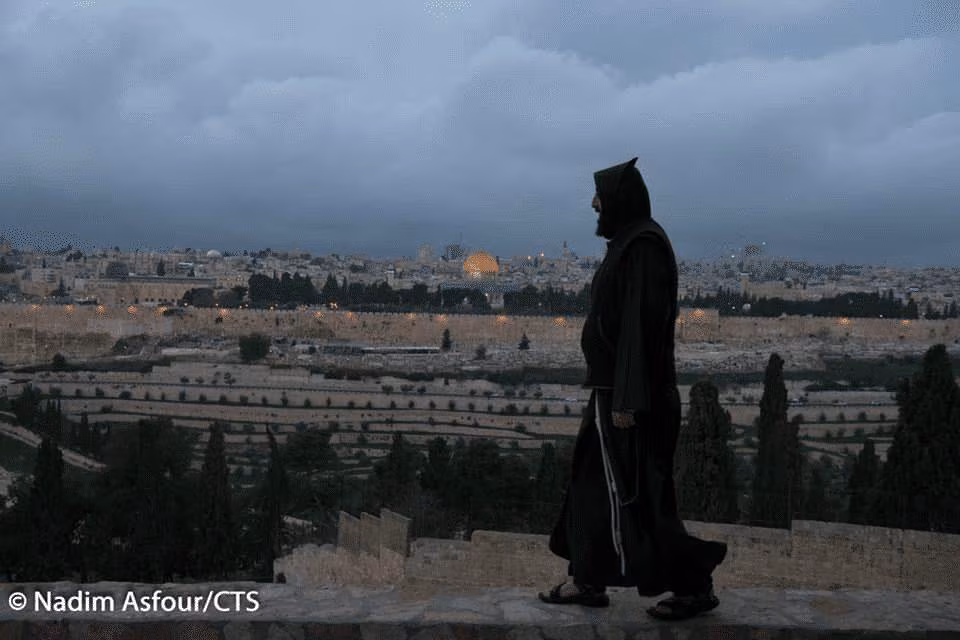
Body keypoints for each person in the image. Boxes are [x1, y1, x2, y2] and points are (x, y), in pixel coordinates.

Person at [538, 157, 728, 620]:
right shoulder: (627, 243)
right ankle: (587, 577)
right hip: (613, 393)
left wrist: (627, 399)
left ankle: (693, 584)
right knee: (591, 485)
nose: (594, 205)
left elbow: (638, 330)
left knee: (640, 495)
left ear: (620, 200)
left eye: (599, 197)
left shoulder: (643, 246)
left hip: (631, 399)